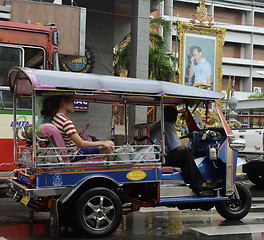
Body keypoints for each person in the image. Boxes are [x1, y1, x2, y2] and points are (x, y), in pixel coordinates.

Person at [150, 106, 212, 196]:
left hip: (155, 156)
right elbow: (177, 148)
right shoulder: (167, 126)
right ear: (175, 118)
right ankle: (200, 185)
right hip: (160, 158)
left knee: (185, 154)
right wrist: (188, 148)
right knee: (186, 155)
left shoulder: (158, 124)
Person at [50, 95, 114, 161]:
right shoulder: (66, 122)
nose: (74, 105)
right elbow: (81, 144)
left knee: (103, 142)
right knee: (110, 145)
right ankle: (110, 166)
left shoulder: (55, 118)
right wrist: (103, 143)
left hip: (71, 152)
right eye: (72, 102)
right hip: (76, 154)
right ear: (63, 101)